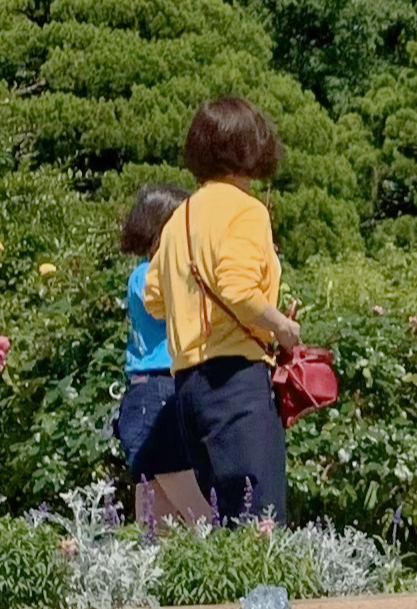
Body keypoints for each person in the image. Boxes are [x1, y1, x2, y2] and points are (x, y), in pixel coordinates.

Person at [143, 96, 302, 526]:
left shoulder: (180, 218)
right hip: (236, 381)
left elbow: (153, 296)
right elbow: (237, 289)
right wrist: (282, 326)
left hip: (188, 388)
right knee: (261, 523)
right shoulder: (246, 210)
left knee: (226, 524)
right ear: (253, 148)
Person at [114, 185, 210, 529]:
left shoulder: (145, 273)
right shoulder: (148, 276)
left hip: (154, 393)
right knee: (199, 513)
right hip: (156, 394)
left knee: (157, 522)